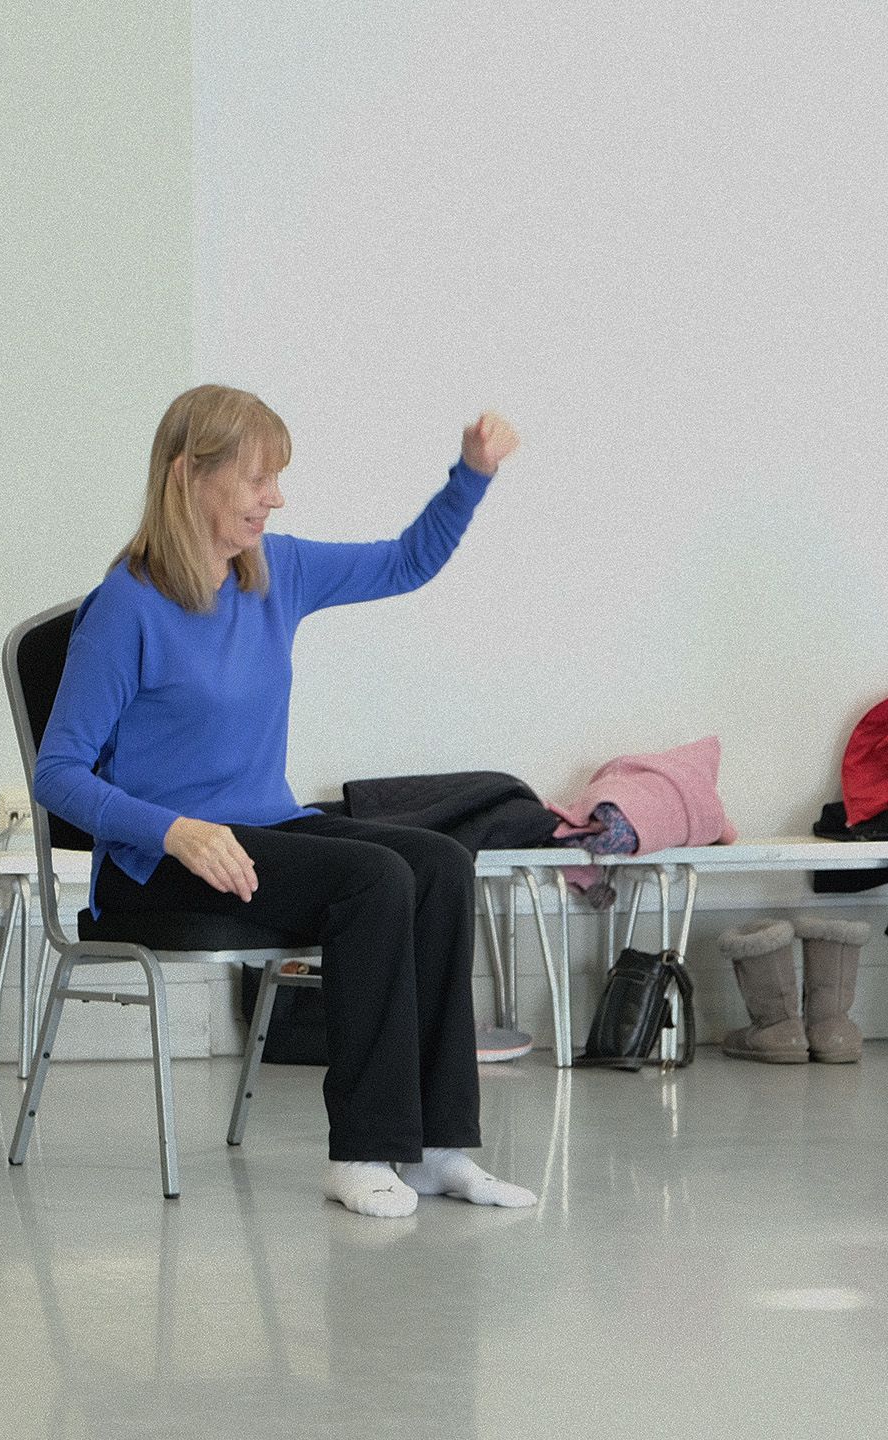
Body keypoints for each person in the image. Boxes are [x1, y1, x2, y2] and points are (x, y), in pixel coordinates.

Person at [32, 383, 537, 1219]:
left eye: (278, 479)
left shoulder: (276, 572)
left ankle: (439, 1148)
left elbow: (407, 561)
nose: (277, 497)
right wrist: (174, 831)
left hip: (265, 832)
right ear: (190, 477)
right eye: (259, 478)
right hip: (158, 865)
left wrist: (471, 474)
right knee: (374, 879)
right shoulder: (124, 608)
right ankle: (363, 1151)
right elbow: (60, 774)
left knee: (441, 862)